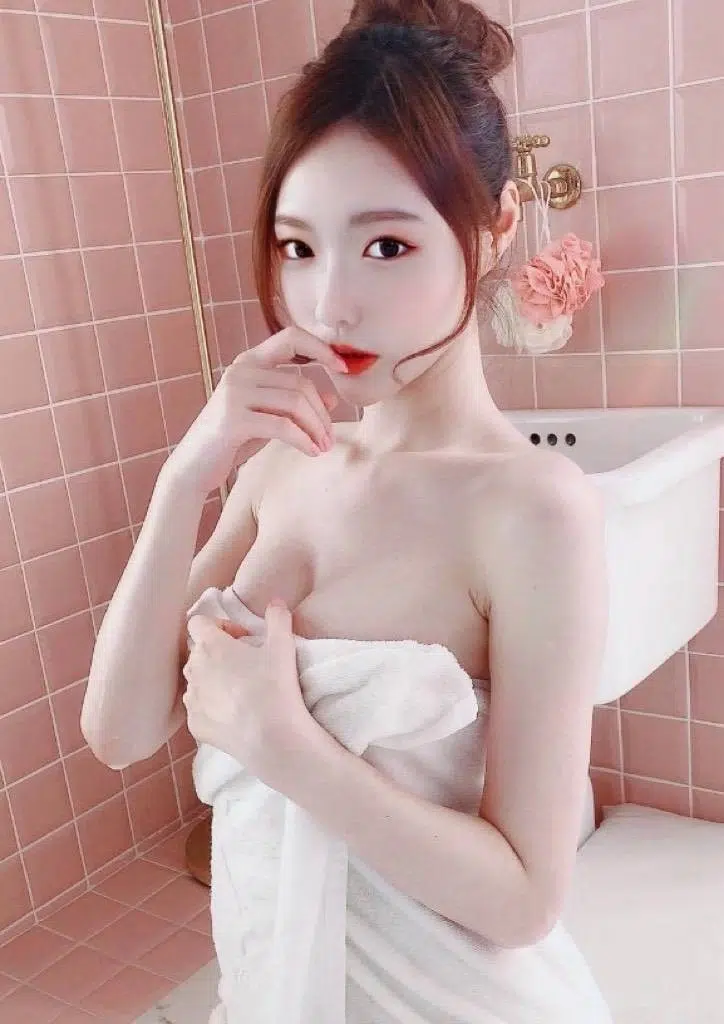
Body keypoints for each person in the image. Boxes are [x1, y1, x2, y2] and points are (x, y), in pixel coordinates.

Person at [82, 1, 612, 1020]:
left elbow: (525, 899)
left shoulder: (531, 509)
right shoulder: (285, 464)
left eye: (386, 246)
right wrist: (186, 475)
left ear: (496, 225)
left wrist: (284, 747)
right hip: (280, 984)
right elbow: (119, 729)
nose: (328, 305)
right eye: (297, 247)